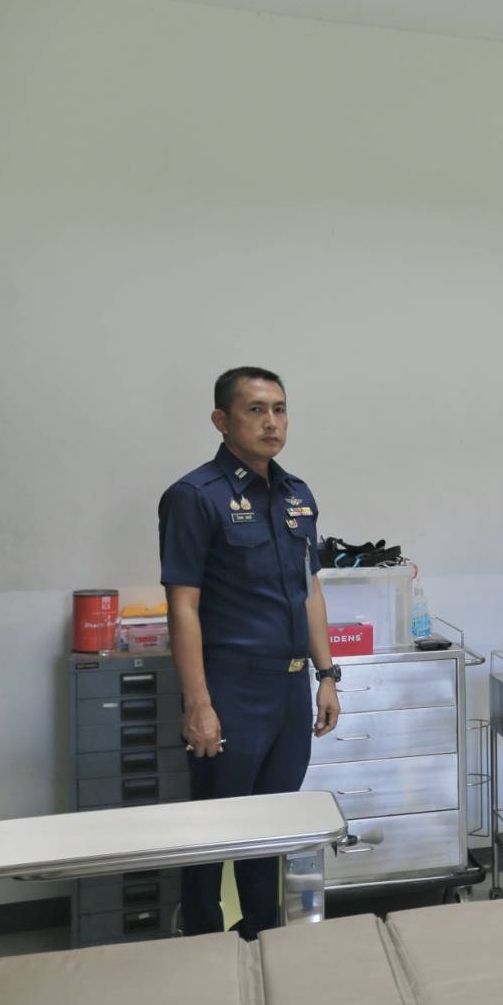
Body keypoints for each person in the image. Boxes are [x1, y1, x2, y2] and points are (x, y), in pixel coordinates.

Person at [158, 367, 341, 940]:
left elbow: (310, 590)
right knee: (213, 828)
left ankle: (260, 938)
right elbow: (183, 606)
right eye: (256, 409)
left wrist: (327, 674)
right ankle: (202, 941)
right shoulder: (195, 496)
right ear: (222, 420)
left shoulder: (297, 495)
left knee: (271, 827)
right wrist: (198, 703)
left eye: (279, 409)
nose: (271, 422)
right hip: (231, 687)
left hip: (289, 688)